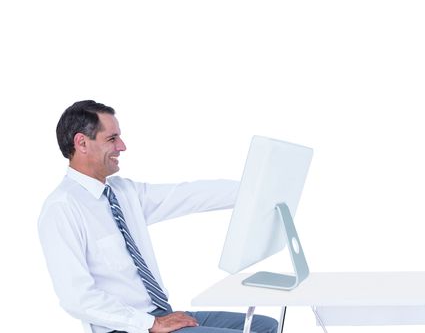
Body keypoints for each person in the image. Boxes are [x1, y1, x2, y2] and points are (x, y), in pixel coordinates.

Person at [38, 100, 278, 333]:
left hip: (161, 315)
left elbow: (188, 195)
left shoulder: (123, 192)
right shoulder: (62, 208)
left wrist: (256, 192)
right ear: (81, 143)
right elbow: (77, 298)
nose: (122, 146)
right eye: (112, 138)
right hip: (128, 327)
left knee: (265, 326)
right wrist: (148, 324)